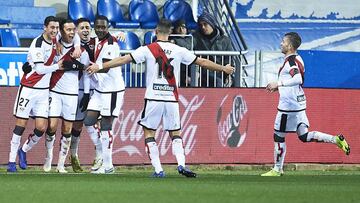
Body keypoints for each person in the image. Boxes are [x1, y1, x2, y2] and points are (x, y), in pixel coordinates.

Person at [87, 19, 235, 178]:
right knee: (175, 133)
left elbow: (123, 59)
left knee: (149, 132)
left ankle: (158, 170)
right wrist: (223, 69)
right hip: (171, 98)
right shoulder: (179, 49)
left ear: (156, 32)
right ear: (170, 33)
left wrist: (100, 66)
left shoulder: (148, 48)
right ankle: (181, 164)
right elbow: (203, 62)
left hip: (153, 98)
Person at [261, 32, 350, 177]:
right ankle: (335, 140)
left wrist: (279, 83)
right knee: (303, 136)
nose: (281, 44)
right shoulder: (298, 58)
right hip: (299, 103)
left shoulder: (290, 61)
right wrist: (280, 87)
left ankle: (277, 169)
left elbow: (297, 79)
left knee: (278, 136)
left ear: (290, 46)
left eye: (283, 42)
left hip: (288, 106)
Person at [7, 16, 68, 172]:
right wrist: (58, 66)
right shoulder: (38, 44)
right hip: (29, 88)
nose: (54, 31)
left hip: (43, 92)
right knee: (20, 125)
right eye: (51, 28)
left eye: (56, 28)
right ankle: (11, 162)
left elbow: (72, 37)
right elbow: (40, 70)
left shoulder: (56, 38)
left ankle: (24, 150)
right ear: (44, 28)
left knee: (41, 128)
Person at [43, 18, 90, 173]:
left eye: (72, 30)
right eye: (67, 30)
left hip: (71, 94)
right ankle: (49, 157)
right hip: (55, 91)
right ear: (61, 31)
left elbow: (86, 72)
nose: (71, 32)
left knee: (67, 129)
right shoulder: (53, 45)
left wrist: (87, 93)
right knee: (51, 126)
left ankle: (61, 164)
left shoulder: (81, 51)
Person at [83, 15, 125, 174]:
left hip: (112, 90)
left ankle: (108, 166)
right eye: (98, 27)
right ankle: (100, 152)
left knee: (106, 125)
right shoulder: (97, 41)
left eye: (103, 27)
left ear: (107, 27)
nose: (100, 29)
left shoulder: (112, 43)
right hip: (100, 89)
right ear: (95, 27)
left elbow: (107, 66)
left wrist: (94, 67)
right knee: (88, 120)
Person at [193, 12, 233, 87]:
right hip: (202, 75)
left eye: (205, 24)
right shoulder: (196, 37)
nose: (203, 27)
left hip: (220, 76)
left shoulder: (224, 40)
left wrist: (226, 76)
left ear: (211, 24)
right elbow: (186, 45)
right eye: (201, 25)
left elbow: (229, 60)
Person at [170, 19, 192, 87]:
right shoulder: (170, 39)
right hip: (177, 69)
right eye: (178, 28)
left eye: (183, 28)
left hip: (188, 69)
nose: (181, 30)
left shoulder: (191, 39)